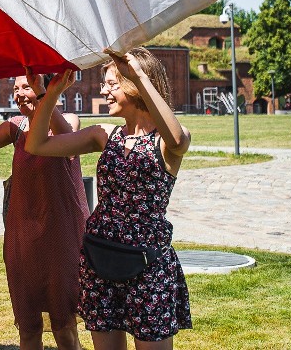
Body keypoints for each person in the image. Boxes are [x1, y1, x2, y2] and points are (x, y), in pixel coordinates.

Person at [25, 47, 192, 349]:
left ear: (135, 83)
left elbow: (178, 140)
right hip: (99, 259)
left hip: (147, 264)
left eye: (112, 84)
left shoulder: (167, 141)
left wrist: (138, 74)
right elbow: (36, 145)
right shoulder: (105, 134)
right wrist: (48, 95)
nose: (103, 91)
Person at [0, 67, 88, 350]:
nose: (19, 94)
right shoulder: (15, 128)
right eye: (16, 89)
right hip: (23, 237)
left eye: (25, 87)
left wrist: (43, 95)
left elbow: (70, 148)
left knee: (64, 327)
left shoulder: (69, 122)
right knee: (28, 329)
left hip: (61, 237)